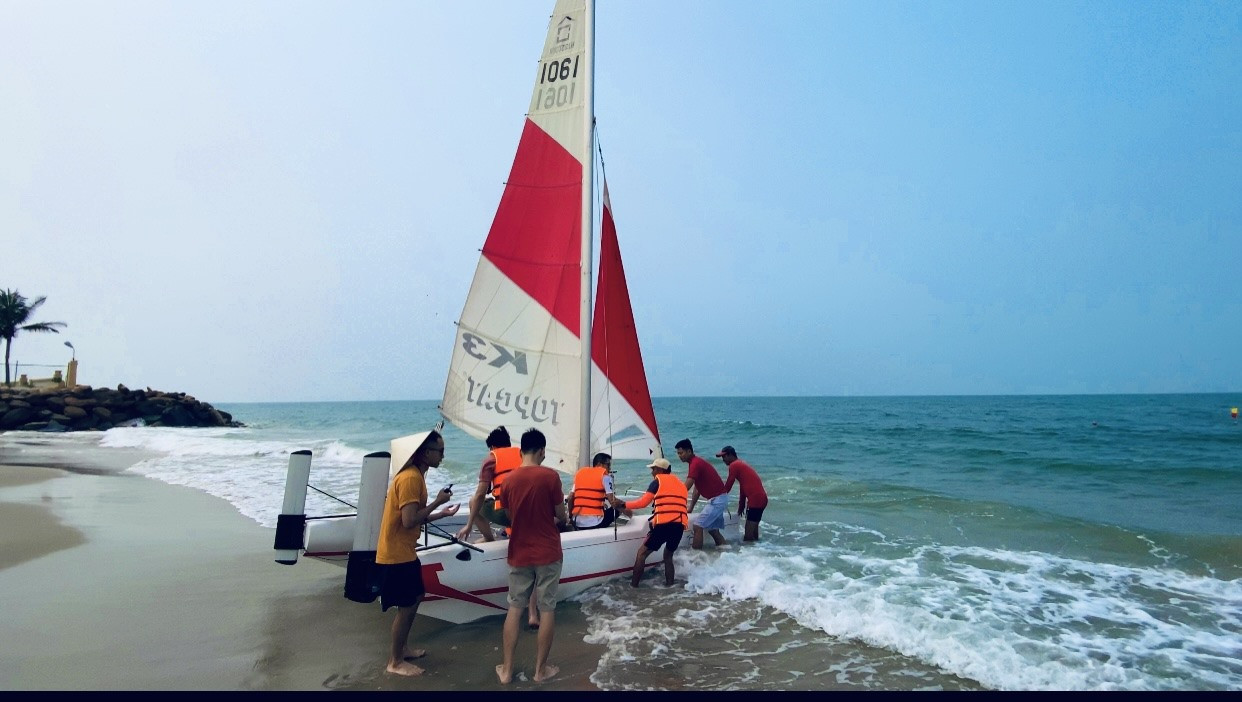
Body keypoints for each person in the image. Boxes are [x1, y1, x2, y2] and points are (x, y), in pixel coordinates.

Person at [374, 429, 460, 677]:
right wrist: (437, 503)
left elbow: (411, 518)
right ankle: (395, 661)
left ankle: (403, 649)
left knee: (415, 597)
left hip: (403, 550)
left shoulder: (415, 476)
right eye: (439, 451)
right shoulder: (411, 478)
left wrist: (440, 514)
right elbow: (410, 520)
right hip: (395, 553)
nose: (442, 456)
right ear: (425, 453)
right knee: (408, 604)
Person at [495, 428, 568, 685]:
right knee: (547, 608)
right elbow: (562, 515)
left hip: (519, 551)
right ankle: (540, 671)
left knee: (515, 608)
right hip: (548, 551)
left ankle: (506, 671)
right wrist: (561, 517)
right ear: (541, 451)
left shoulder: (508, 480)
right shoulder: (551, 477)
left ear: (520, 451)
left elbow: (508, 516)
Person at [610, 457, 688, 587]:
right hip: (679, 525)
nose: (652, 472)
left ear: (659, 470)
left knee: (641, 553)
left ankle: (633, 587)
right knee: (668, 556)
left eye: (653, 469)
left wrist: (623, 504)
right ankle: (670, 587)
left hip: (664, 525)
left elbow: (643, 503)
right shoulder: (681, 484)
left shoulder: (657, 482)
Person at [456, 426, 522, 543]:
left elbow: (480, 495)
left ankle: (488, 538)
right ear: (509, 443)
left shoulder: (490, 460)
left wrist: (469, 525)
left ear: (492, 447)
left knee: (473, 502)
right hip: (531, 511)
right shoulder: (523, 455)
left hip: (508, 515)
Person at [675, 438, 728, 549]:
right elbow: (697, 489)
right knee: (713, 530)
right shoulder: (694, 463)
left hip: (717, 500)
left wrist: (672, 501)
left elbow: (686, 487)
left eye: (681, 453)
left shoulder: (695, 463)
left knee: (698, 526)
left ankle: (696, 558)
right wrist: (690, 508)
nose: (679, 456)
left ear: (689, 451)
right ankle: (726, 553)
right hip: (719, 499)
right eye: (678, 453)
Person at [717, 445, 768, 542]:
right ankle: (757, 552)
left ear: (731, 455)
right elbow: (743, 487)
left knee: (748, 536)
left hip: (756, 500)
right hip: (761, 499)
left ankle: (749, 554)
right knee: (754, 532)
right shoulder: (740, 464)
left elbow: (729, 484)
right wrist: (741, 505)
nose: (723, 460)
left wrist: (719, 496)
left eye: (724, 457)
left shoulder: (734, 465)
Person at [568, 452, 617, 529]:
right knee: (620, 508)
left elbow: (570, 498)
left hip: (577, 522)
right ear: (599, 464)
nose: (610, 468)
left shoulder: (580, 475)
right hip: (595, 523)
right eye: (608, 465)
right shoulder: (605, 477)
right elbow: (613, 501)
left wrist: (571, 516)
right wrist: (625, 506)